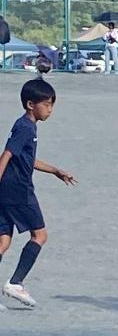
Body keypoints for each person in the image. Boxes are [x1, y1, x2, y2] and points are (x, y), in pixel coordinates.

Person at [0, 80, 77, 308]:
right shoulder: (25, 127)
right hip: (19, 190)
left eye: (52, 105)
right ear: (30, 104)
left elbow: (26, 159)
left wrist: (55, 171)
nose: (50, 110)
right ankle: (15, 283)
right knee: (40, 235)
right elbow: (7, 155)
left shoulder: (26, 125)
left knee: (3, 241)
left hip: (7, 190)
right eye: (47, 104)